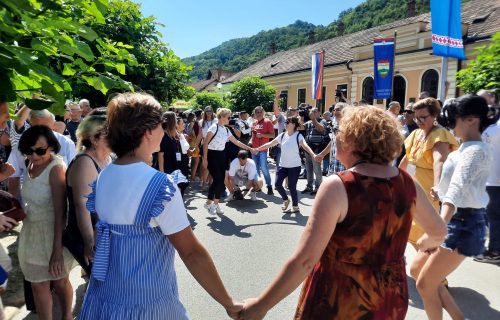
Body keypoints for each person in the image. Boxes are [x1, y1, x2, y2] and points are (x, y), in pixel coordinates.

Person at [239, 107, 447, 320]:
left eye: (340, 131)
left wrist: (261, 305)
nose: (336, 137)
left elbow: (305, 260)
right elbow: (438, 231)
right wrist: (423, 244)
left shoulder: (339, 186)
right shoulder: (406, 182)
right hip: (389, 297)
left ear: (352, 140)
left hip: (341, 298)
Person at [79, 93, 242, 319]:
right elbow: (192, 253)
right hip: (148, 304)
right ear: (147, 132)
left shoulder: (104, 175)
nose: (163, 130)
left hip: (105, 299)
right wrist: (229, 303)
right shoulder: (160, 187)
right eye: (161, 124)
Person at [417, 95, 495, 320]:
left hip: (463, 224)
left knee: (425, 284)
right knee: (418, 272)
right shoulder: (466, 148)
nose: (450, 125)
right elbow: (454, 186)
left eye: (454, 120)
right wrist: (439, 191)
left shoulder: (475, 150)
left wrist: (437, 230)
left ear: (472, 119)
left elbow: (458, 190)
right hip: (457, 220)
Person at [17, 125, 76, 320]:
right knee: (37, 284)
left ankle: (67, 316)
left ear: (51, 146)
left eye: (40, 150)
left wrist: (57, 252)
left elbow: (61, 212)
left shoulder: (55, 168)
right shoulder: (30, 164)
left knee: (60, 283)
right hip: (31, 235)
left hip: (53, 234)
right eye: (29, 151)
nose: (34, 155)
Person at [399, 97, 458, 281]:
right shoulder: (416, 134)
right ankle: (426, 269)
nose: (419, 121)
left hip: (429, 190)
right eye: (416, 117)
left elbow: (439, 161)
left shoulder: (439, 135)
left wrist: (438, 186)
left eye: (423, 117)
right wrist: (393, 178)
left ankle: (438, 278)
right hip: (413, 187)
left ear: (434, 116)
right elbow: (406, 159)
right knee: (412, 233)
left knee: (427, 233)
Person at [62, 114, 111, 276]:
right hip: (86, 237)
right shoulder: (85, 162)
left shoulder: (108, 158)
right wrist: (90, 244)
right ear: (94, 139)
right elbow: (82, 207)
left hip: (104, 234)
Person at [8, 108, 77, 199]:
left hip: (59, 199)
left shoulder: (66, 144)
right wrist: (14, 206)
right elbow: (14, 176)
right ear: (31, 125)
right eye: (37, 128)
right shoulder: (22, 144)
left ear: (53, 124)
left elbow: (72, 176)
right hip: (28, 203)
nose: (41, 133)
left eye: (45, 128)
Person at [255, 117, 316, 213]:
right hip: (282, 165)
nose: (286, 123)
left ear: (294, 125)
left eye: (288, 122)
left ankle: (295, 207)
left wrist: (313, 154)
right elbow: (271, 143)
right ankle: (286, 199)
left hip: (294, 166)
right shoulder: (282, 135)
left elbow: (305, 145)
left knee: (292, 186)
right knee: (278, 184)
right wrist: (258, 148)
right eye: (286, 122)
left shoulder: (298, 136)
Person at [202, 108, 255, 215]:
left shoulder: (226, 129)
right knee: (217, 179)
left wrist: (249, 148)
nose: (229, 119)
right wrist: (205, 159)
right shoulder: (213, 127)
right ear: (221, 117)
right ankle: (211, 203)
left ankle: (213, 204)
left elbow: (236, 142)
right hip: (212, 155)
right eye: (228, 117)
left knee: (220, 181)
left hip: (222, 155)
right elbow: (205, 144)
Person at [474, 106, 500, 264]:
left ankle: (495, 251)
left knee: (494, 218)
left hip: (493, 181)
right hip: (492, 180)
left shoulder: (493, 129)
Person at [159, 112, 190, 196]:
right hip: (168, 167)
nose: (177, 121)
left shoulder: (174, 134)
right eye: (175, 119)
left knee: (180, 188)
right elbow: (161, 154)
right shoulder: (164, 135)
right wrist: (162, 173)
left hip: (176, 165)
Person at [317, 102, 347, 176]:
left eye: (338, 110)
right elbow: (333, 142)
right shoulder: (335, 125)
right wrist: (322, 154)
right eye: (334, 110)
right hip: (334, 164)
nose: (335, 112)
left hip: (343, 166)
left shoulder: (348, 126)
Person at [302, 108, 328, 194]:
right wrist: (300, 116)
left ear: (319, 113)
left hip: (317, 149)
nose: (313, 113)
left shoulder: (322, 121)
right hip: (308, 149)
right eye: (311, 112)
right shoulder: (308, 122)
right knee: (309, 169)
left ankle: (318, 187)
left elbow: (321, 129)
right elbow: (300, 127)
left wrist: (313, 119)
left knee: (317, 170)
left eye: (315, 112)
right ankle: (309, 186)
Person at [250, 106, 275, 195]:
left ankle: (269, 186)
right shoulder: (254, 123)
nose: (259, 113)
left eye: (261, 112)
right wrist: (250, 144)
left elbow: (272, 135)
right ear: (255, 114)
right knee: (255, 169)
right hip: (254, 149)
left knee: (264, 168)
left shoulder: (268, 122)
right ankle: (258, 186)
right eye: (257, 112)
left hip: (263, 149)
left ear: (263, 112)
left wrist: (262, 135)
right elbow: (253, 135)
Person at [196, 106, 217, 190]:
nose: (209, 112)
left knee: (212, 165)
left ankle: (210, 183)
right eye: (207, 111)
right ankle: (204, 183)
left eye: (210, 111)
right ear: (204, 112)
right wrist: (196, 146)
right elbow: (200, 135)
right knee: (205, 165)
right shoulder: (201, 122)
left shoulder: (216, 121)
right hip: (205, 145)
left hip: (214, 145)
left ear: (212, 112)